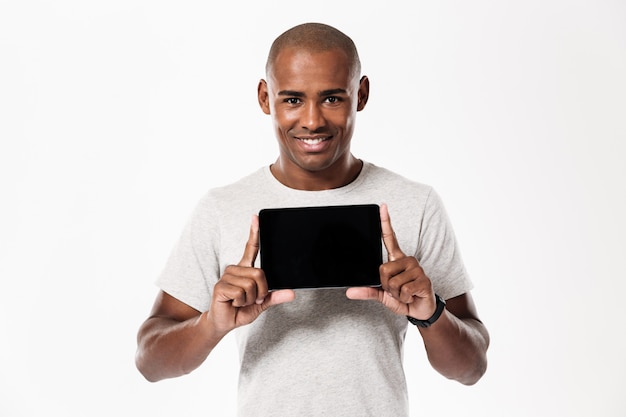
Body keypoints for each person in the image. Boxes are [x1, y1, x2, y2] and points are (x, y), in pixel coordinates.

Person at [135, 22, 490, 417]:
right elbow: (150, 362)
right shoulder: (222, 207)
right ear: (265, 97)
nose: (312, 121)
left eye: (332, 98)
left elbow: (472, 368)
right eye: (292, 100)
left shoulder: (415, 202)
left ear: (362, 94)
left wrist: (431, 314)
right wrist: (211, 325)